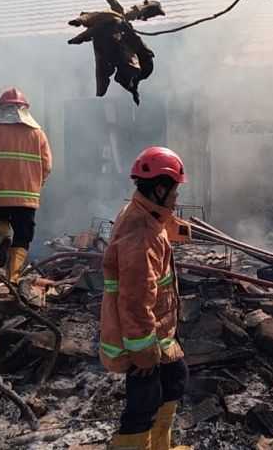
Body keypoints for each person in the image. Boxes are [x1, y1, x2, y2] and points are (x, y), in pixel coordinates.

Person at [100, 146, 192, 450]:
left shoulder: (144, 213)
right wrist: (142, 352)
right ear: (161, 188)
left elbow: (158, 223)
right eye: (175, 190)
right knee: (144, 401)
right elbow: (135, 299)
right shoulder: (141, 234)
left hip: (159, 333)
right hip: (142, 338)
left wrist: (178, 228)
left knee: (174, 380)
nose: (177, 196)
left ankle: (160, 446)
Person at [0, 87, 52, 283]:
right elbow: (47, 165)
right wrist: (36, 185)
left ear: (0, 108)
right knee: (23, 236)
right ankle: (13, 277)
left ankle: (3, 238)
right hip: (27, 198)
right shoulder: (38, 134)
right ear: (25, 109)